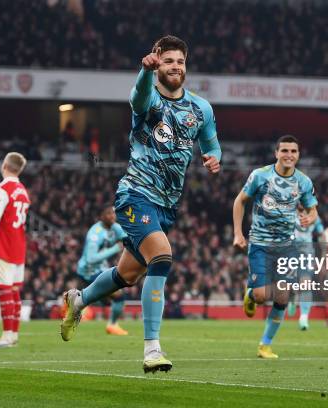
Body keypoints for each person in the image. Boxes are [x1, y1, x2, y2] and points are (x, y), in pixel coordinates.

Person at [60, 35, 221, 373]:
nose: (175, 67)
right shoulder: (149, 99)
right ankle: (152, 349)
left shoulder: (201, 109)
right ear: (157, 61)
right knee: (161, 258)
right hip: (136, 193)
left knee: (127, 274)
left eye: (180, 62)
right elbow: (137, 98)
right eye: (168, 61)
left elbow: (212, 143)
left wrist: (212, 158)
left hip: (167, 205)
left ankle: (81, 299)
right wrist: (144, 72)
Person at [233, 135, 318, 359]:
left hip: (286, 246)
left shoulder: (303, 182)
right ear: (276, 153)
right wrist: (238, 233)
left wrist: (310, 217)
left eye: (293, 151)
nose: (289, 155)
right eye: (285, 151)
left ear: (298, 155)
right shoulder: (260, 176)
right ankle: (251, 294)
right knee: (262, 297)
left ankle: (265, 345)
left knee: (282, 298)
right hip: (260, 243)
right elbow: (240, 201)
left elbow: (313, 208)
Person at [0, 152, 30, 349]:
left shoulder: (1, 190)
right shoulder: (23, 190)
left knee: (4, 290)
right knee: (15, 291)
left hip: (4, 247)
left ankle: (7, 336)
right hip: (19, 246)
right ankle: (14, 335)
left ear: (4, 165)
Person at [76, 205, 128, 335]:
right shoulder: (95, 234)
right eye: (108, 213)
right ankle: (112, 325)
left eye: (113, 213)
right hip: (89, 271)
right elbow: (91, 259)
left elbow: (125, 237)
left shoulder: (113, 226)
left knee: (109, 297)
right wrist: (115, 249)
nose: (112, 216)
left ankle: (74, 306)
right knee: (118, 295)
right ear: (101, 216)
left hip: (101, 269)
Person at [289, 207, 324, 331]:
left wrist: (323, 255)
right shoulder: (289, 213)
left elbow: (321, 235)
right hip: (290, 252)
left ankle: (304, 317)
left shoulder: (315, 217)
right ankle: (292, 297)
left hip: (307, 253)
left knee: (306, 284)